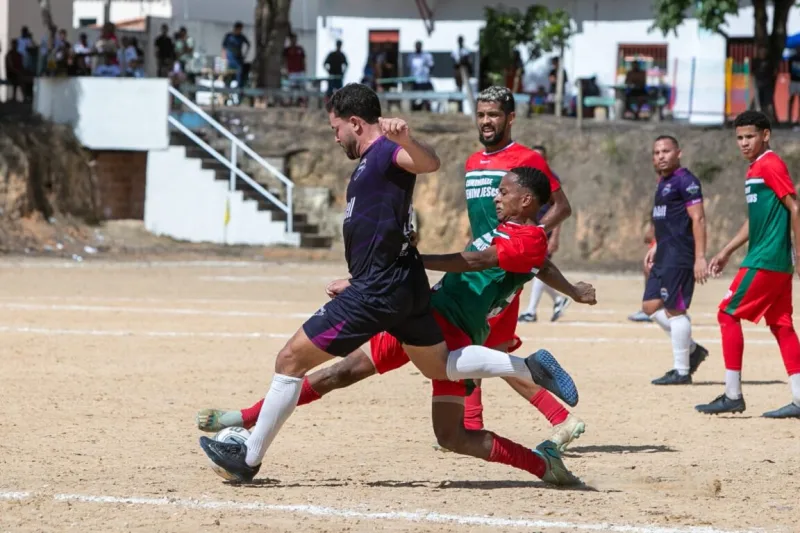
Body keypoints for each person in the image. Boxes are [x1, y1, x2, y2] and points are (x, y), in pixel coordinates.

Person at [198, 83, 583, 483]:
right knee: (444, 385)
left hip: (384, 290)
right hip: (400, 287)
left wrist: (406, 139)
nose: (334, 137)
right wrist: (358, 278)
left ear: (353, 122)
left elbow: (428, 163)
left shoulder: (385, 151)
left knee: (290, 359)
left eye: (336, 128)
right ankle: (532, 401)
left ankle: (249, 455)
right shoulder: (369, 162)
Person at [459, 86, 580, 447]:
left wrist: (530, 238)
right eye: (481, 114)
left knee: (474, 347)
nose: (486, 121)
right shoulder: (471, 162)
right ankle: (472, 421)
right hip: (480, 263)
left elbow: (562, 207)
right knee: (482, 348)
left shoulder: (527, 159)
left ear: (510, 118)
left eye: (493, 114)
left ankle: (558, 417)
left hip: (504, 269)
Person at [697, 111, 800, 418]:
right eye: (739, 138)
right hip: (772, 260)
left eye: (750, 136)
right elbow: (755, 221)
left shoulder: (770, 164)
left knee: (727, 313)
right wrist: (727, 250)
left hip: (766, 259)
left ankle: (732, 394)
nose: (743, 143)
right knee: (781, 324)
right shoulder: (755, 169)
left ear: (765, 135)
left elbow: (795, 207)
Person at [641, 136, 709, 385]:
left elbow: (698, 219)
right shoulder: (663, 183)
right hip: (664, 254)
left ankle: (681, 370)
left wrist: (700, 257)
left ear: (678, 153)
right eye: (656, 152)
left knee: (675, 310)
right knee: (649, 306)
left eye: (666, 151)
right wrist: (656, 245)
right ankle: (692, 349)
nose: (661, 156)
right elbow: (668, 220)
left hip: (680, 256)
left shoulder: (685, 180)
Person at [519, 144, 571, 323]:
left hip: (544, 229)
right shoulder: (524, 179)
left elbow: (559, 208)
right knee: (531, 269)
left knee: (536, 267)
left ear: (546, 160)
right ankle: (558, 299)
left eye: (540, 157)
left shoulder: (551, 179)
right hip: (528, 229)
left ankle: (531, 311)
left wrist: (555, 236)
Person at [408, 41, 434, 111]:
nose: (418, 47)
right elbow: (410, 68)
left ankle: (428, 111)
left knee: (426, 99)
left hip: (424, 81)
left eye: (419, 45)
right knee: (415, 99)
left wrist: (427, 75)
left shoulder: (426, 55)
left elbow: (431, 66)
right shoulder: (411, 56)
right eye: (417, 45)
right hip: (415, 81)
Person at [222, 22, 250, 88]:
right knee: (227, 78)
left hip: (238, 61)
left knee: (240, 79)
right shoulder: (229, 36)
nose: (240, 31)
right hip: (229, 61)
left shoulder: (241, 37)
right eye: (239, 29)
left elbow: (248, 45)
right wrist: (224, 58)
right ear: (236, 28)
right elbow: (223, 47)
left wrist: (245, 55)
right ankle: (226, 94)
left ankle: (239, 95)